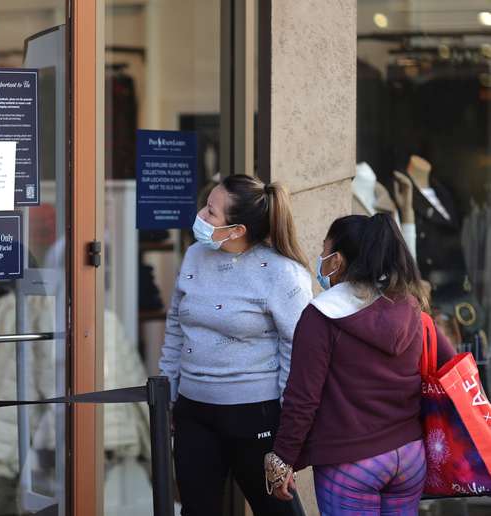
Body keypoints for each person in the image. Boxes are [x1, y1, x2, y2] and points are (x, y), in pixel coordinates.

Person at [266, 214, 456, 515]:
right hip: (409, 457)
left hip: (350, 463)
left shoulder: (321, 316)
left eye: (324, 249)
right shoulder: (409, 306)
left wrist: (283, 459)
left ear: (337, 260)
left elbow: (303, 398)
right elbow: (452, 365)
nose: (320, 258)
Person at [159, 174, 312, 516]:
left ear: (236, 230)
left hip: (255, 417)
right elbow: (175, 326)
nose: (201, 215)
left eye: (211, 212)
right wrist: (168, 392)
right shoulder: (195, 256)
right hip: (193, 413)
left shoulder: (282, 274)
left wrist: (290, 436)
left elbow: (298, 352)